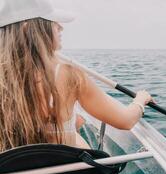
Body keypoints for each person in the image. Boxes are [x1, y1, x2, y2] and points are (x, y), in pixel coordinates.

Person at [0, 0, 153, 152]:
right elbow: (125, 121)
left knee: (75, 126)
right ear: (28, 29)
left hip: (11, 173)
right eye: (53, 23)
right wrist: (140, 100)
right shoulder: (68, 74)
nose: (61, 27)